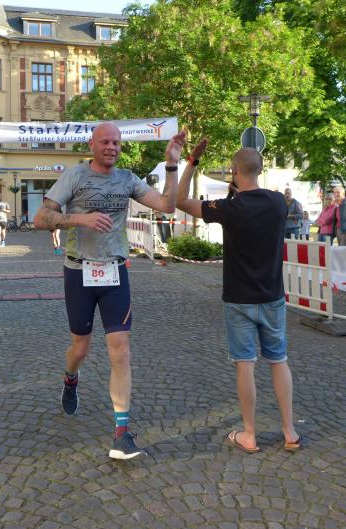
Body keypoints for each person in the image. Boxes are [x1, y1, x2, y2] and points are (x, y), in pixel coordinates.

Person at [33, 122, 188, 460]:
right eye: (105, 142)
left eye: (116, 142)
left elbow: (167, 205)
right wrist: (81, 219)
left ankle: (121, 434)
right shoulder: (75, 176)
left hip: (115, 272)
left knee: (121, 351)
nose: (112, 147)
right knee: (81, 348)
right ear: (92, 145)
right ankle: (71, 378)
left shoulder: (127, 179)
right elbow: (40, 218)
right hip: (79, 272)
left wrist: (172, 164)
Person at [176, 146, 304, 455]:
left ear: (233, 171)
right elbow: (256, 202)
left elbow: (179, 200)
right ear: (260, 169)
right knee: (278, 360)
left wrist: (192, 161)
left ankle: (249, 434)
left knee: (245, 365)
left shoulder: (228, 208)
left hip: (239, 298)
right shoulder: (278, 201)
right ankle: (289, 431)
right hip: (272, 296)